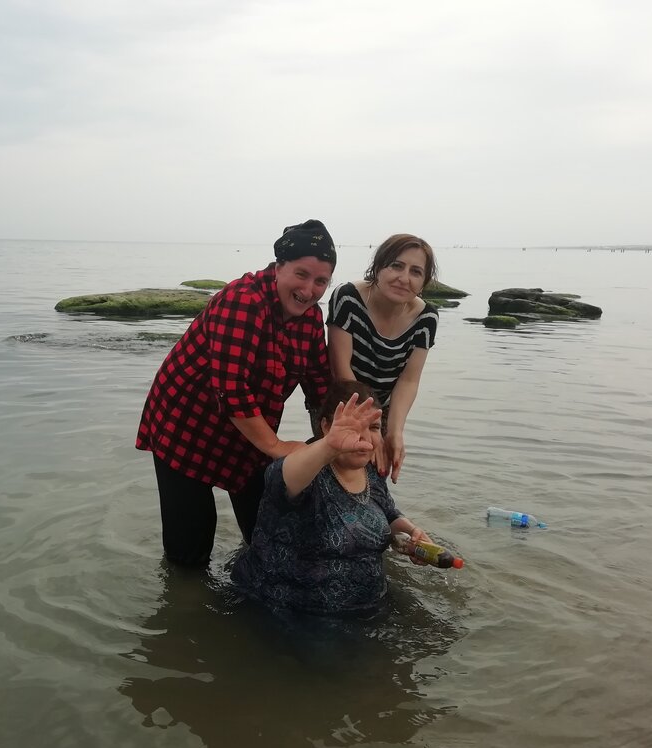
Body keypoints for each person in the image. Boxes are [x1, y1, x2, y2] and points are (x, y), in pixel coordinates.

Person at [136, 219, 336, 567]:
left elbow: (321, 387)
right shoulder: (243, 301)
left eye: (321, 281)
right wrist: (278, 447)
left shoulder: (310, 318)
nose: (309, 290)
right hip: (185, 428)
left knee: (268, 534)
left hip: (249, 433)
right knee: (190, 551)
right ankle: (185, 596)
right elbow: (232, 391)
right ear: (279, 267)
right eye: (301, 274)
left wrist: (337, 442)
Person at [230, 380, 439, 615]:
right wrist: (329, 446)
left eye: (373, 428)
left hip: (367, 604)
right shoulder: (306, 470)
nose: (365, 439)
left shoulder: (369, 470)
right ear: (326, 426)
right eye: (352, 428)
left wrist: (412, 533)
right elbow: (280, 477)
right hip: (292, 612)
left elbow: (388, 512)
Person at [327, 234, 439, 482]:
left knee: (376, 476)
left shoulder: (426, 319)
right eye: (396, 265)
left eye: (416, 272)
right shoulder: (348, 298)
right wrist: (366, 428)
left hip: (383, 410)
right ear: (377, 267)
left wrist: (395, 432)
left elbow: (409, 381)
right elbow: (340, 370)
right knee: (341, 475)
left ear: (424, 282)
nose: (404, 278)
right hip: (341, 402)